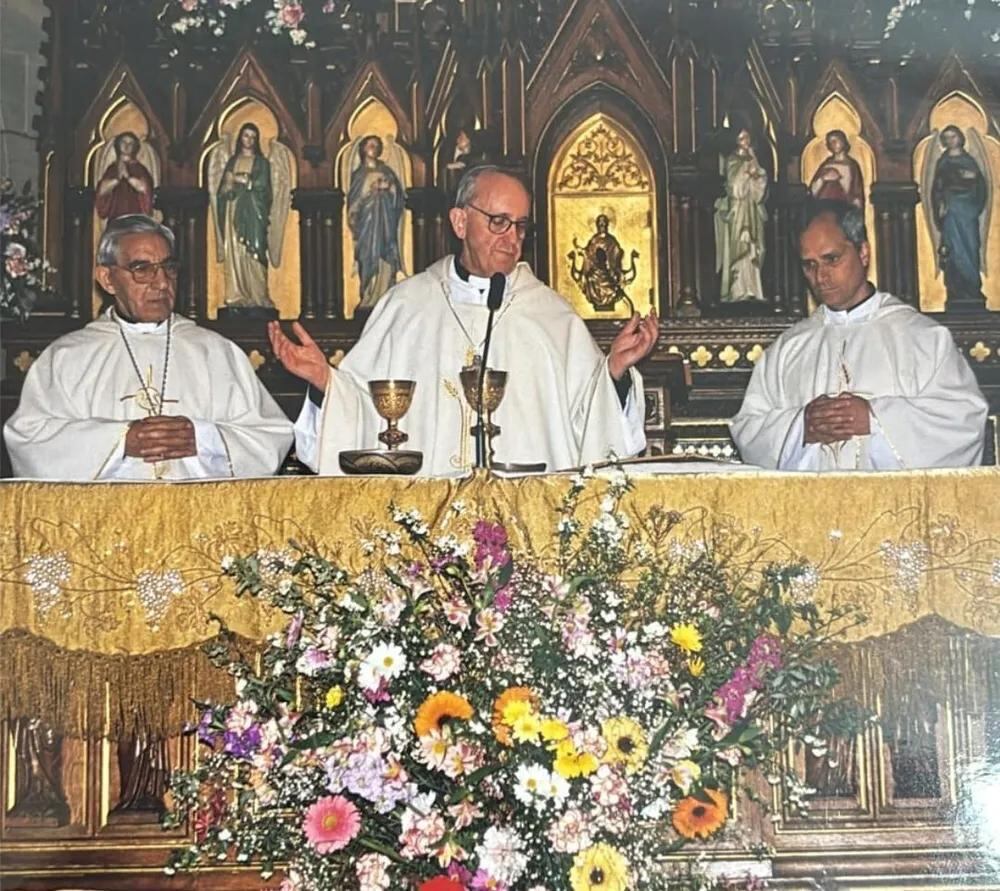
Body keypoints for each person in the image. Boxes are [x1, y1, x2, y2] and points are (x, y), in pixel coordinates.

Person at [268, 165, 658, 475]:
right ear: (459, 222)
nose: (512, 238)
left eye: (521, 226)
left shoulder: (551, 316)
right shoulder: (406, 307)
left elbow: (592, 424)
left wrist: (614, 372)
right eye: (498, 221)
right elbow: (360, 416)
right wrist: (324, 383)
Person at [4, 214, 294, 480]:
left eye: (169, 268)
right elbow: (29, 440)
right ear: (107, 278)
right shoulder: (68, 358)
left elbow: (270, 436)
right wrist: (120, 441)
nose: (162, 283)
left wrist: (203, 439)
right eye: (142, 269)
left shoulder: (216, 353)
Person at [730, 199, 987, 470]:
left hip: (898, 508)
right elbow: (749, 429)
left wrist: (876, 420)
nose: (821, 276)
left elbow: (964, 422)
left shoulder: (923, 339)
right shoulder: (787, 350)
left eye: (831, 259)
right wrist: (799, 427)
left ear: (863, 253)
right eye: (809, 265)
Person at [217, 122, 274, 309]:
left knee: (256, 250)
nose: (248, 140)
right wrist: (228, 186)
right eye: (245, 135)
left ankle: (259, 297)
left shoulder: (262, 163)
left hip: (254, 213)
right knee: (235, 251)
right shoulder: (232, 161)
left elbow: (264, 187)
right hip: (234, 210)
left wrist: (241, 179)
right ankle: (237, 296)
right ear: (240, 138)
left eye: (252, 136)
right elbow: (223, 191)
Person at [930, 125, 988, 308]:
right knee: (953, 249)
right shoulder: (943, 162)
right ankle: (956, 290)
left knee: (970, 247)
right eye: (946, 138)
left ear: (960, 138)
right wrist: (940, 202)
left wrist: (971, 178)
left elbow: (980, 187)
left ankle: (972, 289)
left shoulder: (969, 160)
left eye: (953, 137)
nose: (949, 141)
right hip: (950, 212)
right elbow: (936, 188)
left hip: (967, 212)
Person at [348, 135, 406, 309]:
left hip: (386, 223)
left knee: (386, 255)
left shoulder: (387, 171)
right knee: (367, 256)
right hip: (367, 224)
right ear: (363, 149)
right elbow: (353, 202)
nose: (373, 148)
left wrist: (389, 189)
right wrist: (370, 190)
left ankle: (385, 295)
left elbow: (399, 198)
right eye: (369, 145)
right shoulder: (358, 174)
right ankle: (369, 296)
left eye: (376, 145)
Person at [714, 128, 769, 302]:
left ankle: (753, 289)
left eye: (748, 137)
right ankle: (738, 290)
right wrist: (746, 168)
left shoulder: (753, 159)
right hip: (738, 210)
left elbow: (761, 187)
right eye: (742, 137)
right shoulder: (733, 160)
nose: (746, 141)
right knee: (740, 246)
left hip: (751, 209)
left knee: (756, 247)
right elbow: (735, 188)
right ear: (736, 141)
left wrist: (758, 177)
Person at [95, 131, 155, 222]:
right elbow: (102, 189)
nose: (126, 146)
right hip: (116, 219)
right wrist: (117, 179)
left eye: (130, 143)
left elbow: (145, 188)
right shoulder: (112, 169)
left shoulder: (140, 169)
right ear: (118, 145)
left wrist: (128, 176)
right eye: (123, 142)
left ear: (135, 147)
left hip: (136, 219)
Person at [808, 129, 865, 209]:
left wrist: (839, 179)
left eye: (836, 140)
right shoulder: (826, 164)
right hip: (824, 204)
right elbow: (814, 190)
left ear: (843, 141)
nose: (833, 144)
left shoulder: (852, 165)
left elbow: (856, 190)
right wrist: (823, 178)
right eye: (830, 142)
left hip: (843, 204)